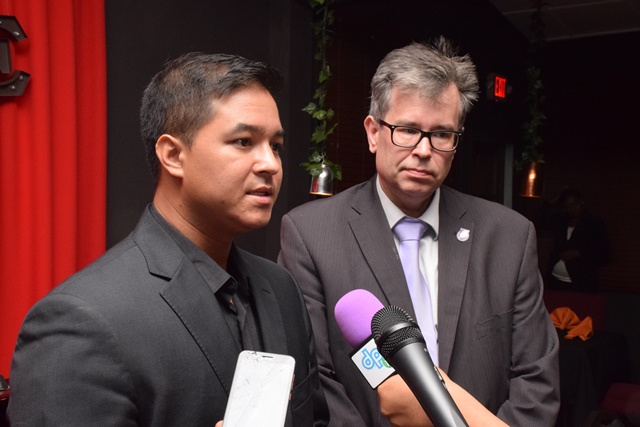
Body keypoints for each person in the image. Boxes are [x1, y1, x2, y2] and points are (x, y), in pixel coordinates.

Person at [8, 53, 329, 426]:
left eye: (275, 145)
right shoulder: (81, 322)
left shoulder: (281, 288)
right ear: (173, 155)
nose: (271, 164)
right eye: (244, 141)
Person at [278, 37, 560, 426]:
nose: (424, 150)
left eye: (442, 134)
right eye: (407, 129)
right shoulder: (311, 234)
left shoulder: (509, 236)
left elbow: (537, 381)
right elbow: (316, 381)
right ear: (373, 132)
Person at [543, 187, 611, 292]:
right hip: (555, 280)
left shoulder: (594, 224)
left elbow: (604, 254)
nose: (573, 208)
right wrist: (550, 203)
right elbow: (538, 221)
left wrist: (579, 253)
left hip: (581, 283)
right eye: (568, 206)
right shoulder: (561, 221)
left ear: (582, 202)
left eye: (576, 204)